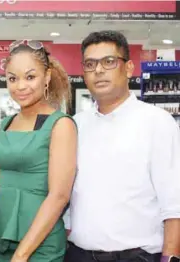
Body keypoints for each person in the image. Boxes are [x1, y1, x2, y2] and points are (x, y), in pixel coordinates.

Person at [65, 30, 180, 262]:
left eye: (108, 62)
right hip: (78, 255)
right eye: (90, 64)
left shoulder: (157, 122)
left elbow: (174, 205)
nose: (98, 70)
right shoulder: (75, 125)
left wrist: (171, 258)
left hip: (137, 256)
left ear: (128, 68)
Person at [0, 40, 77, 262]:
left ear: (46, 77)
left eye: (30, 77)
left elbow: (59, 196)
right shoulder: (6, 123)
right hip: (0, 237)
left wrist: (21, 254)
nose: (20, 86)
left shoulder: (61, 124)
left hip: (39, 245)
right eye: (12, 78)